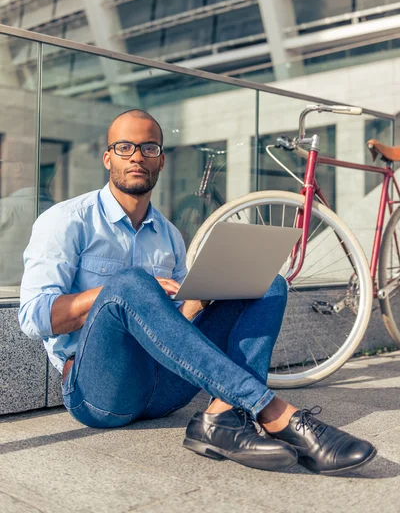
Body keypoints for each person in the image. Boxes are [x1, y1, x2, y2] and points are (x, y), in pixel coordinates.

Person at [19, 109, 376, 475]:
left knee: (268, 284)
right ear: (107, 156)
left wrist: (203, 298)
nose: (137, 156)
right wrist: (120, 290)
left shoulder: (169, 235)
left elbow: (176, 326)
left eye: (149, 147)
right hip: (100, 393)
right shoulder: (66, 221)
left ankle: (223, 416)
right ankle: (271, 412)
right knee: (129, 282)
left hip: (166, 390)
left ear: (161, 160)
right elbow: (33, 318)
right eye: (125, 147)